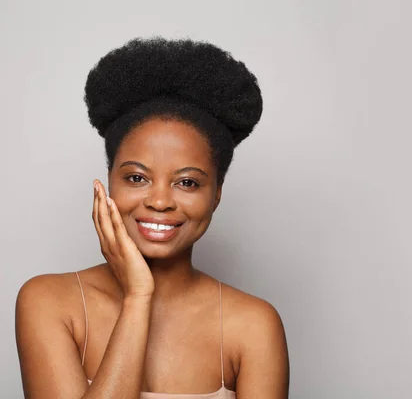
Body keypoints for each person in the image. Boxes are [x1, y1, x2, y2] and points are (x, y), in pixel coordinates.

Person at [15, 37, 289, 399]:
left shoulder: (254, 325)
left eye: (187, 182)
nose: (160, 201)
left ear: (216, 195)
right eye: (136, 178)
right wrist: (138, 297)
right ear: (108, 180)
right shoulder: (48, 301)